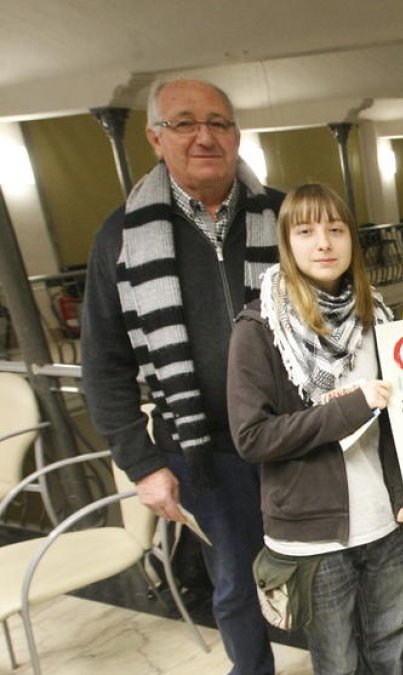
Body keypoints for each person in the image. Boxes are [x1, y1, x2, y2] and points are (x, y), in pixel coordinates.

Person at [81, 79, 281, 675]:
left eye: (219, 123)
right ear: (154, 137)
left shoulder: (285, 213)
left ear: (237, 134)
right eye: (185, 123)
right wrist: (142, 462)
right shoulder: (120, 236)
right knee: (236, 588)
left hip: (294, 439)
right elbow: (104, 363)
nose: (204, 136)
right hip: (204, 452)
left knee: (321, 574)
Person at [226, 183, 403, 673]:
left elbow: (395, 427)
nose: (324, 243)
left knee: (389, 650)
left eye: (335, 229)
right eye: (306, 231)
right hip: (313, 536)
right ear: (286, 242)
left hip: (386, 527)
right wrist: (349, 407)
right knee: (337, 662)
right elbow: (253, 437)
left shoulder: (377, 318)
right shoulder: (259, 328)